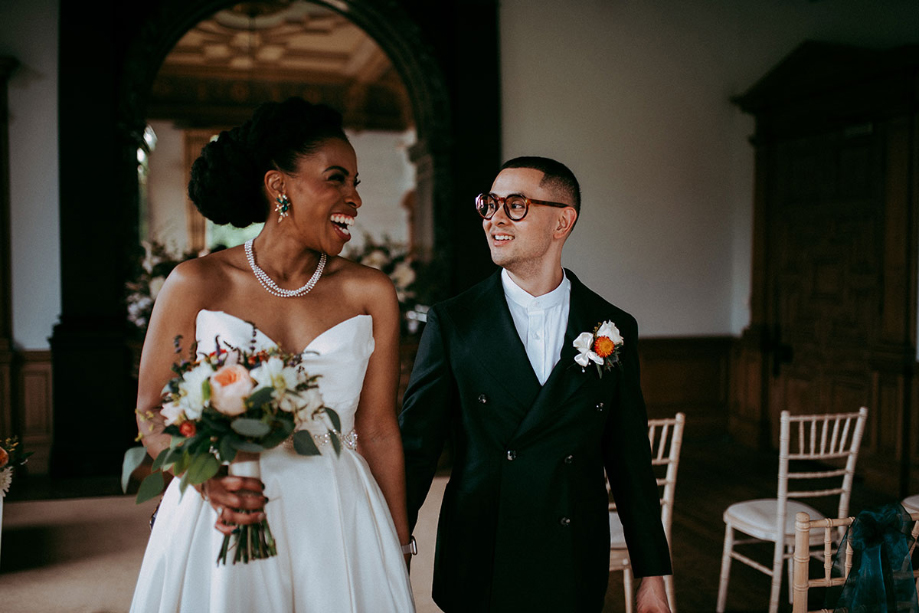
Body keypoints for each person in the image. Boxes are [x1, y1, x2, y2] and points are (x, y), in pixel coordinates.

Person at [130, 97, 416, 612]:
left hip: (338, 516)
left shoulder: (370, 293)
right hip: (227, 506)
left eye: (356, 182)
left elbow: (377, 428)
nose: (354, 197)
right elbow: (151, 408)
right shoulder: (196, 283)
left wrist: (399, 542)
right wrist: (205, 480)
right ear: (278, 185)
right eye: (336, 178)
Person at [399, 157, 673, 612]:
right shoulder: (454, 321)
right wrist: (391, 546)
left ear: (562, 221)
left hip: (571, 557)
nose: (495, 219)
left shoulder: (612, 327)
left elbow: (630, 462)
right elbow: (416, 448)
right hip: (480, 555)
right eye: (489, 205)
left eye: (516, 205)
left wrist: (653, 574)